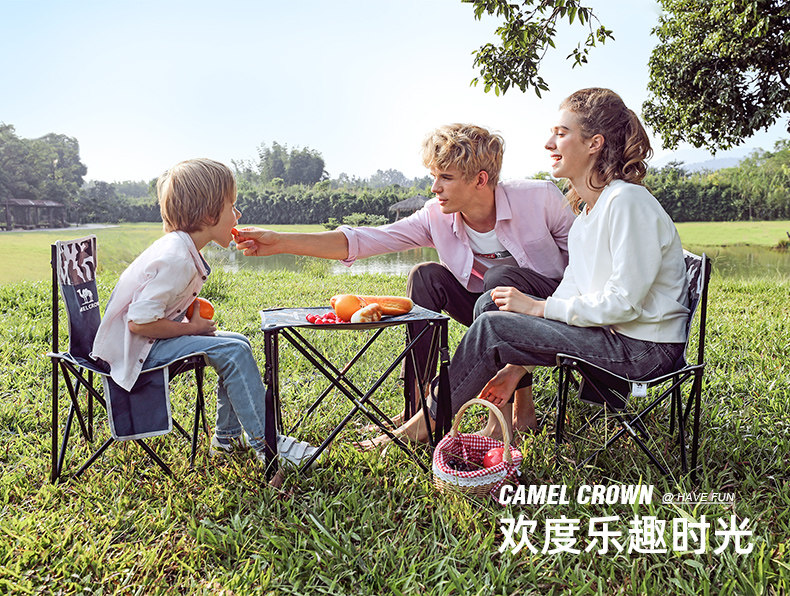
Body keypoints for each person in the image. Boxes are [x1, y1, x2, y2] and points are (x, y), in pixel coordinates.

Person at [357, 88, 690, 448]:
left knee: (492, 327)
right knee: (493, 304)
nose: (549, 143)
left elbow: (623, 303)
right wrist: (513, 371)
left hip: (643, 350)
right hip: (612, 337)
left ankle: (424, 425)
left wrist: (538, 307)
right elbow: (573, 289)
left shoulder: (627, 202)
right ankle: (493, 422)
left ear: (594, 143)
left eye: (561, 133)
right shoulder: (588, 215)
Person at [234, 124, 575, 436]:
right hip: (485, 306)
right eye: (434, 176)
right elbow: (365, 239)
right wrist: (281, 242)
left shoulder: (540, 198)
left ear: (480, 180)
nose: (435, 187)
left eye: (446, 177)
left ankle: (516, 411)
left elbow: (585, 268)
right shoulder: (435, 216)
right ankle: (416, 405)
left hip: (547, 304)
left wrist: (536, 336)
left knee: (499, 280)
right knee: (425, 276)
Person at [91, 158, 315, 481]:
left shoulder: (180, 248)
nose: (238, 215)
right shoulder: (176, 258)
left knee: (237, 343)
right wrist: (192, 328)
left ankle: (226, 438)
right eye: (232, 207)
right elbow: (139, 323)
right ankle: (268, 446)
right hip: (138, 351)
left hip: (144, 342)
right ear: (210, 216)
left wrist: (187, 314)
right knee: (232, 351)